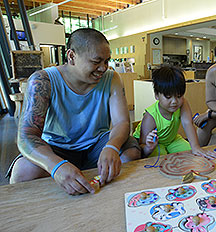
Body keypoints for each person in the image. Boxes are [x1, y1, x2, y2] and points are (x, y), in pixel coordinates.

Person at [8, 28, 141, 195]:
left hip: (95, 145)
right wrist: (56, 166)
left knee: (130, 154)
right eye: (96, 61)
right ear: (71, 56)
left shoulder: (112, 78)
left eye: (107, 61)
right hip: (57, 147)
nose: (103, 68)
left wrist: (112, 146)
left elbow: (122, 121)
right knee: (22, 172)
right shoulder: (42, 80)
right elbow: (26, 136)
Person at [133, 65, 216, 159]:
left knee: (190, 153)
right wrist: (149, 147)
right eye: (168, 97)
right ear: (156, 95)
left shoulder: (183, 103)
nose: (174, 101)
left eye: (179, 96)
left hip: (172, 140)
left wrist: (196, 147)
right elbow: (142, 146)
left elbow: (187, 123)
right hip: (155, 144)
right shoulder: (150, 116)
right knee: (161, 159)